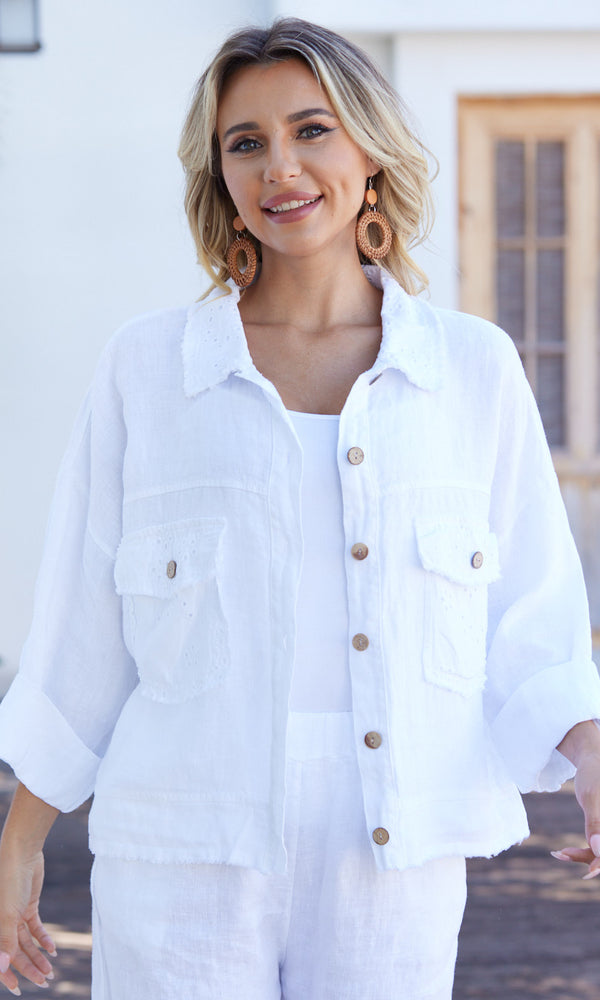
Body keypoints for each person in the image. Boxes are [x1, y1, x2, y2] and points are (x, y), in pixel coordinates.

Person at [0, 16, 600, 1000]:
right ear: (222, 177)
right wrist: (21, 840)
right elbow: (83, 632)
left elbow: (533, 613)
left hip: (393, 853)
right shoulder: (148, 369)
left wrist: (590, 758)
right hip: (182, 846)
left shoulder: (471, 369)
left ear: (370, 152)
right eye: (247, 142)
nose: (280, 166)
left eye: (312, 129)